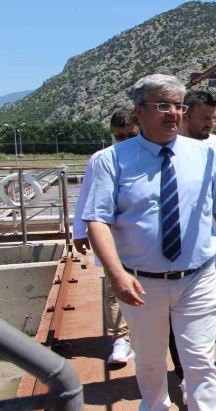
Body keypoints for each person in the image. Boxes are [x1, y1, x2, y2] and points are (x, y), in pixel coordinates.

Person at [83, 74, 216, 411]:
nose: (173, 113)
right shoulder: (110, 161)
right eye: (163, 105)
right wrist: (116, 275)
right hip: (141, 283)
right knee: (150, 360)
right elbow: (97, 220)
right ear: (139, 111)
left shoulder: (205, 154)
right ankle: (155, 405)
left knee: (201, 360)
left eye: (178, 106)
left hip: (197, 278)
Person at [167, 90, 216, 402]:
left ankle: (194, 377)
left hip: (208, 249)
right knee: (172, 320)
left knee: (201, 316)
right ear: (185, 116)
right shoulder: (167, 146)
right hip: (173, 249)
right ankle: (183, 373)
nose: (210, 123)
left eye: (213, 118)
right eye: (204, 118)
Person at [73, 109, 139, 364]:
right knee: (115, 286)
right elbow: (87, 196)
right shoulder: (102, 159)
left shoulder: (152, 156)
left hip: (145, 240)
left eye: (130, 135)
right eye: (119, 136)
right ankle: (120, 338)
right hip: (112, 236)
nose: (124, 141)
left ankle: (149, 335)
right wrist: (80, 231)